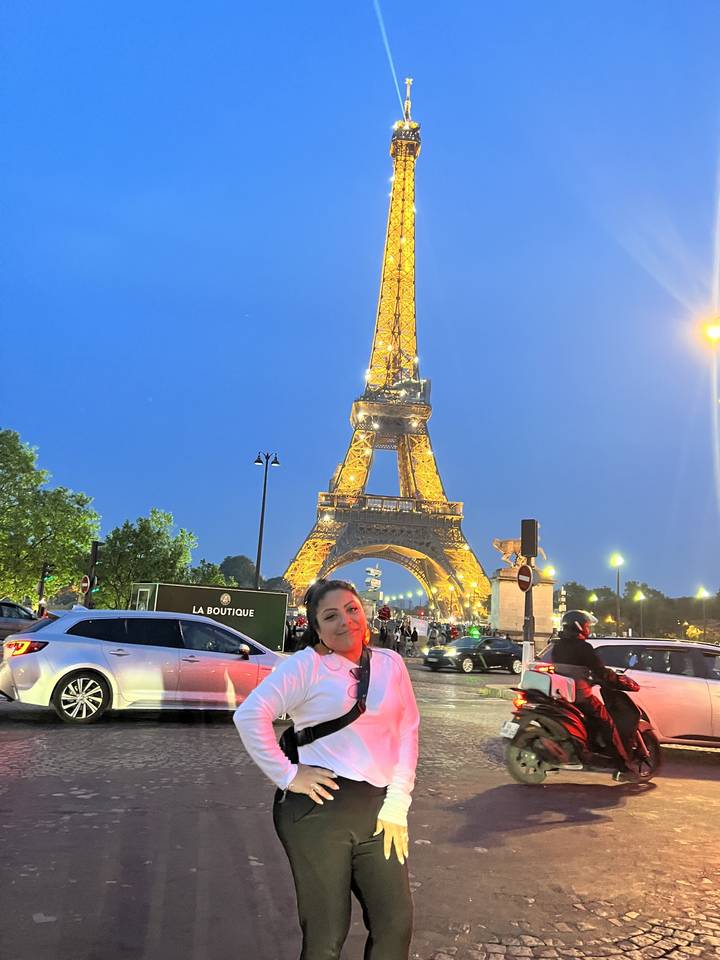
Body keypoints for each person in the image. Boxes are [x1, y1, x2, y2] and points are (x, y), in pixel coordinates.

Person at [234, 578, 419, 960]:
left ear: (364, 612)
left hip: (379, 808)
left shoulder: (391, 663)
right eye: (331, 616)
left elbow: (408, 731)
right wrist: (288, 775)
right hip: (318, 810)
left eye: (352, 609)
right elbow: (249, 715)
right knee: (326, 935)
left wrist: (398, 803)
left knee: (395, 924)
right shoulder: (306, 666)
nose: (345, 621)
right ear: (316, 628)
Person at [550, 610, 630, 764]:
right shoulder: (583, 647)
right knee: (606, 720)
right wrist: (613, 678)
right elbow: (599, 669)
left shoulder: (557, 646)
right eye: (587, 626)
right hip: (580, 694)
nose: (588, 629)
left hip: (563, 694)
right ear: (579, 627)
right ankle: (620, 761)